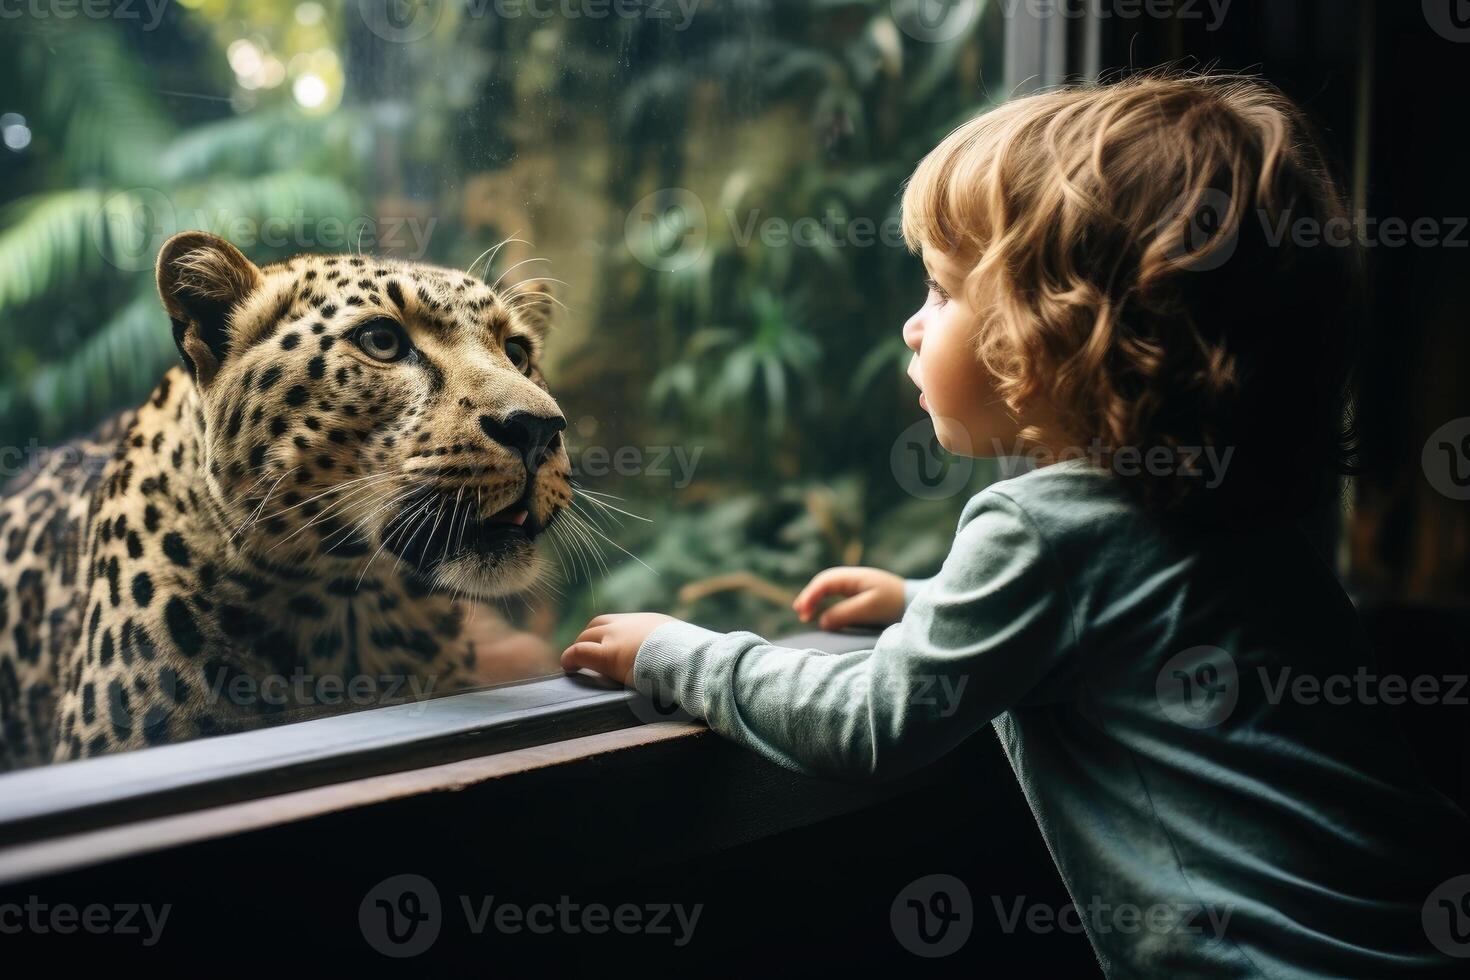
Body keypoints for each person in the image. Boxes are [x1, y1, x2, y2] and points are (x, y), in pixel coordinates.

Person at [561, 74, 1470, 976]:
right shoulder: (1250, 517)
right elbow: (1129, 616)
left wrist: (678, 654)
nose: (914, 329)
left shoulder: (1038, 527)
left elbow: (869, 726)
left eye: (943, 292)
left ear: (1060, 332)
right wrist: (927, 599)